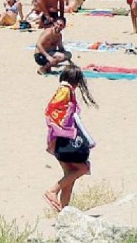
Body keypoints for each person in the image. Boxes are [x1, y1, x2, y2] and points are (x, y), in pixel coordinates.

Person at [43, 65, 98, 212]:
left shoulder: (64, 90)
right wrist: (66, 129)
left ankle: (63, 211)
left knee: (69, 177)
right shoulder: (65, 90)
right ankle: (53, 191)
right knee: (82, 168)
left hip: (59, 141)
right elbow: (53, 110)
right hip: (64, 140)